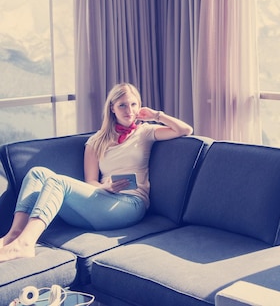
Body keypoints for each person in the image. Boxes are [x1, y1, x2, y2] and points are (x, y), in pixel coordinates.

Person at [0, 82, 193, 262]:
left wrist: (157, 115)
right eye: (123, 105)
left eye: (134, 104)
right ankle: (14, 235)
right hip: (100, 200)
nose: (130, 110)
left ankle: (26, 243)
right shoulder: (96, 141)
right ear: (112, 108)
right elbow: (90, 181)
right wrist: (105, 187)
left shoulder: (146, 132)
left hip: (131, 205)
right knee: (37, 173)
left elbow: (186, 130)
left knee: (57, 182)